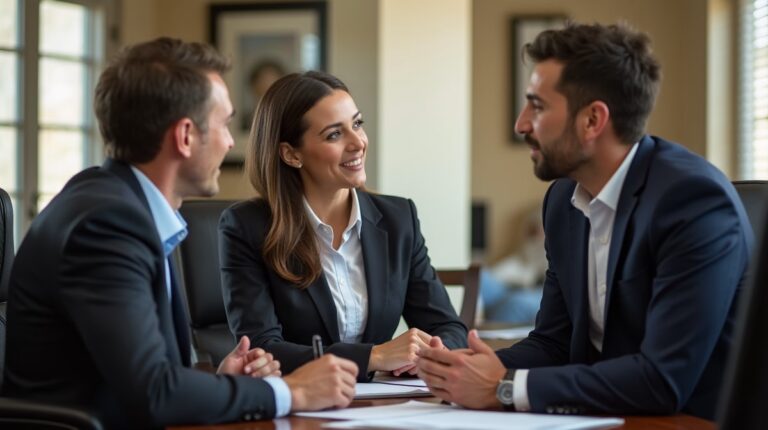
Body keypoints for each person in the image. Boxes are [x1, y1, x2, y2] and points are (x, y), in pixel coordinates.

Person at [2, 38, 357, 429]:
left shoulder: (121, 203)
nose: (229, 141)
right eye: (224, 124)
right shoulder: (106, 226)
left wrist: (222, 382)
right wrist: (293, 391)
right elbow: (154, 393)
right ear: (185, 136)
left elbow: (145, 377)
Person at [416, 22, 752, 420]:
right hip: (606, 417)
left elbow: (662, 380)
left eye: (537, 106)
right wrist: (462, 368)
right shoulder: (562, 201)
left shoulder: (692, 202)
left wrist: (504, 387)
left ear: (592, 120)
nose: (521, 124)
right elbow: (553, 344)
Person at [219, 70, 468, 382]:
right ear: (291, 154)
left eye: (357, 124)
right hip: (300, 403)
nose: (358, 142)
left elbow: (449, 328)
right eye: (334, 135)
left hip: (385, 403)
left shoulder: (399, 218)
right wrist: (374, 356)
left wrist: (431, 351)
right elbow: (262, 350)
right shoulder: (247, 227)